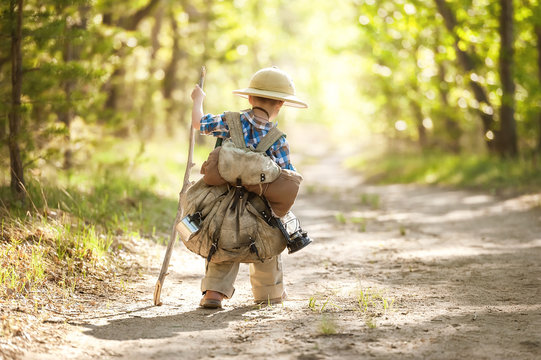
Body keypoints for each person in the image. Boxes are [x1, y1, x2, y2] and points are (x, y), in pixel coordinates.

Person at [190, 66, 308, 308]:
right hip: (260, 207)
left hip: (221, 202)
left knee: (221, 242)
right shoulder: (278, 139)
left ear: (250, 98)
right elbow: (288, 175)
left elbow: (198, 124)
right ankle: (270, 293)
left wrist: (198, 100)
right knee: (267, 245)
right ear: (280, 106)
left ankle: (214, 292)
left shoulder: (228, 121)